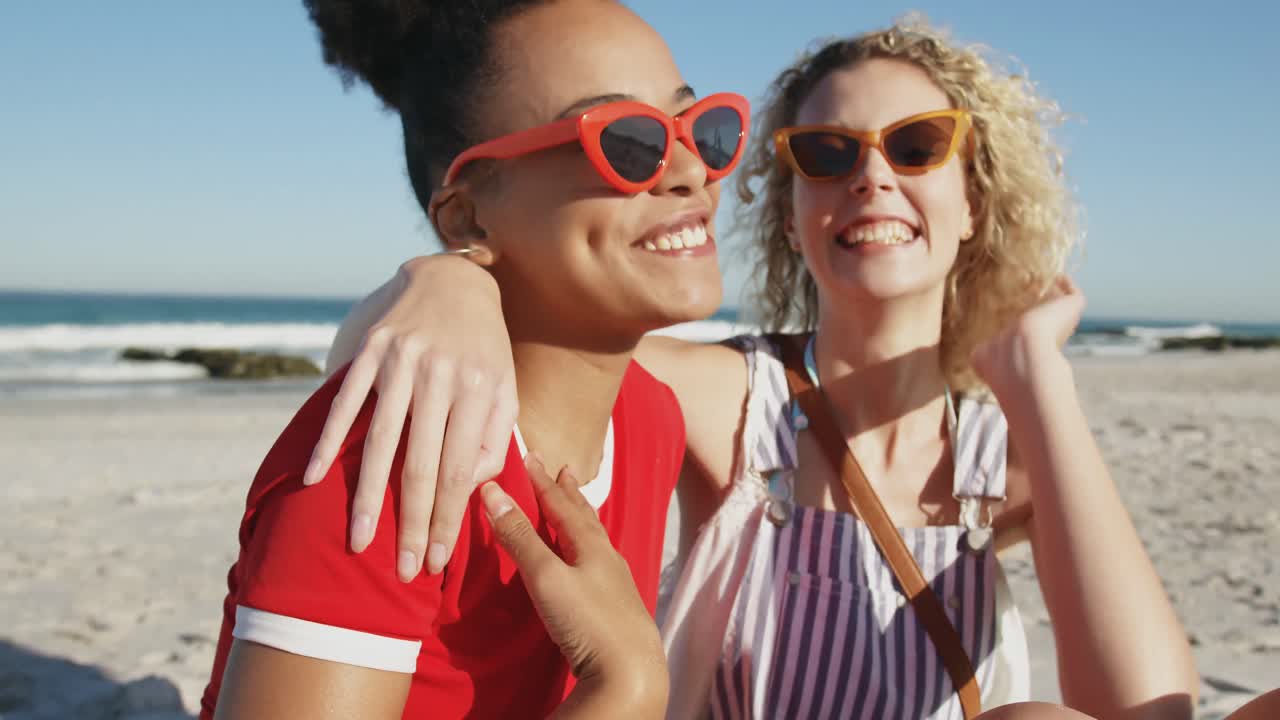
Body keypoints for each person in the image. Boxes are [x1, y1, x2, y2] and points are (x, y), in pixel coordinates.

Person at [308, 18, 1226, 720]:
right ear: (790, 216)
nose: (870, 177)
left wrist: (1037, 374)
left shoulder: (1014, 454)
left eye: (916, 147)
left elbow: (1149, 708)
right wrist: (448, 280)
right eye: (825, 155)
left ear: (973, 202)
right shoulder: (729, 400)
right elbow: (388, 368)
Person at [198, 0, 752, 717]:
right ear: (465, 217)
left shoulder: (649, 419)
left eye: (703, 129)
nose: (689, 172)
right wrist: (627, 690)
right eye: (627, 141)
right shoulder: (389, 458)